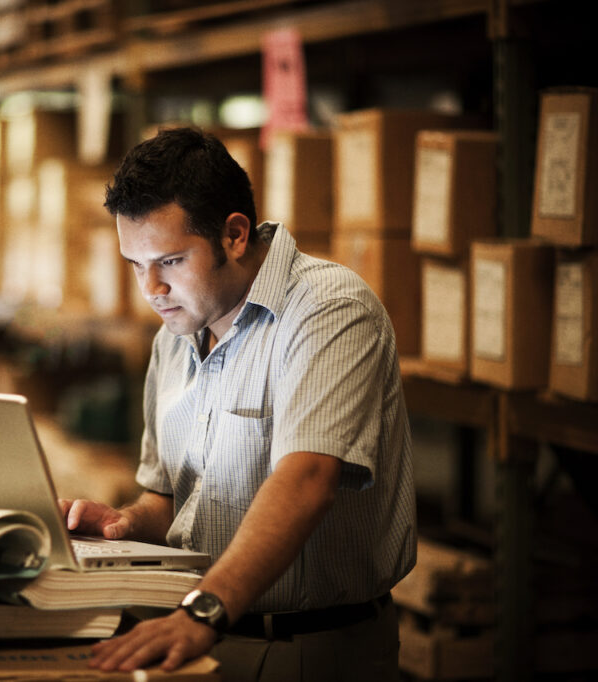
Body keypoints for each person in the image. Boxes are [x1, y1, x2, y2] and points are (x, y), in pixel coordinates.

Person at [59, 126, 416, 682]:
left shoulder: (329, 312)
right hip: (195, 633)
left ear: (233, 235)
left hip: (306, 650)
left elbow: (307, 479)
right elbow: (170, 496)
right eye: (134, 264)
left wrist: (203, 610)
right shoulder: (173, 336)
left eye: (171, 261)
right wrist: (125, 525)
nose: (150, 288)